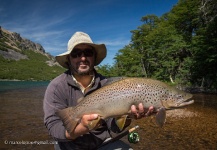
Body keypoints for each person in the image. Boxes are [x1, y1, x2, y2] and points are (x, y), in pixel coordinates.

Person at [43, 31, 154, 150]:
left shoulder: (107, 85)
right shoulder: (56, 87)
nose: (83, 58)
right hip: (68, 146)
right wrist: (81, 128)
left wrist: (128, 116)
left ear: (94, 57)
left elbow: (114, 128)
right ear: (69, 59)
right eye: (76, 54)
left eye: (88, 53)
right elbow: (53, 127)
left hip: (102, 143)